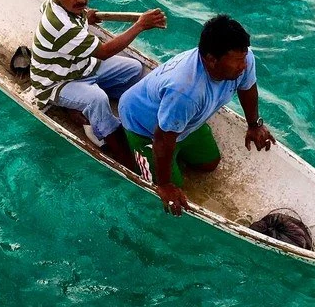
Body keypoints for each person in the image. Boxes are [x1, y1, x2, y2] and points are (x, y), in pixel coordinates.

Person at [118, 14, 276, 215]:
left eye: (244, 58)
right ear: (211, 59)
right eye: (237, 61)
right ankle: (125, 145)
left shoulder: (244, 58)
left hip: (181, 124)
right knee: (172, 191)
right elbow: (162, 140)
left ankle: (176, 154)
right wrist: (165, 185)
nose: (243, 65)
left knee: (210, 163)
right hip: (145, 128)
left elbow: (248, 86)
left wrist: (253, 124)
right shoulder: (186, 91)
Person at [30, 0, 166, 171]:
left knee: (134, 69)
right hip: (56, 82)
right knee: (97, 99)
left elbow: (78, 15)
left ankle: (87, 106)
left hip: (82, 67)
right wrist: (139, 25)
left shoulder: (57, 3)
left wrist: (85, 18)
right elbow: (103, 52)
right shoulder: (62, 27)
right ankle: (123, 157)